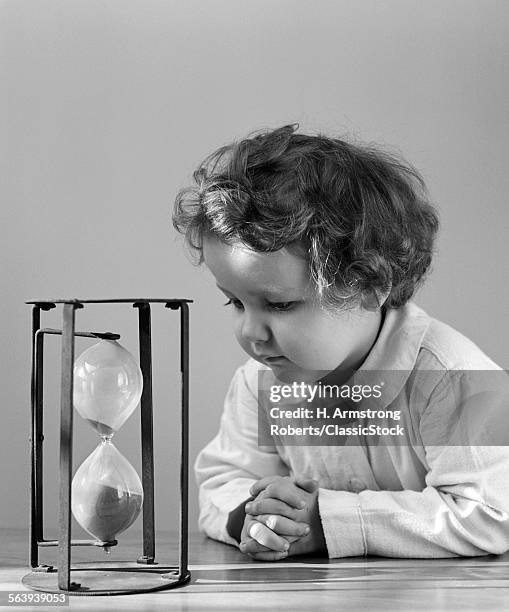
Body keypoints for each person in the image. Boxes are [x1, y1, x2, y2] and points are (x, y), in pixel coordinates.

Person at [172, 124, 509, 561]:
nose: (250, 332)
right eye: (235, 302)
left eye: (281, 305)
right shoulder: (260, 382)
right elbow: (224, 477)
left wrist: (329, 522)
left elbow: (489, 512)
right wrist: (254, 517)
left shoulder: (452, 378)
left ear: (371, 286)